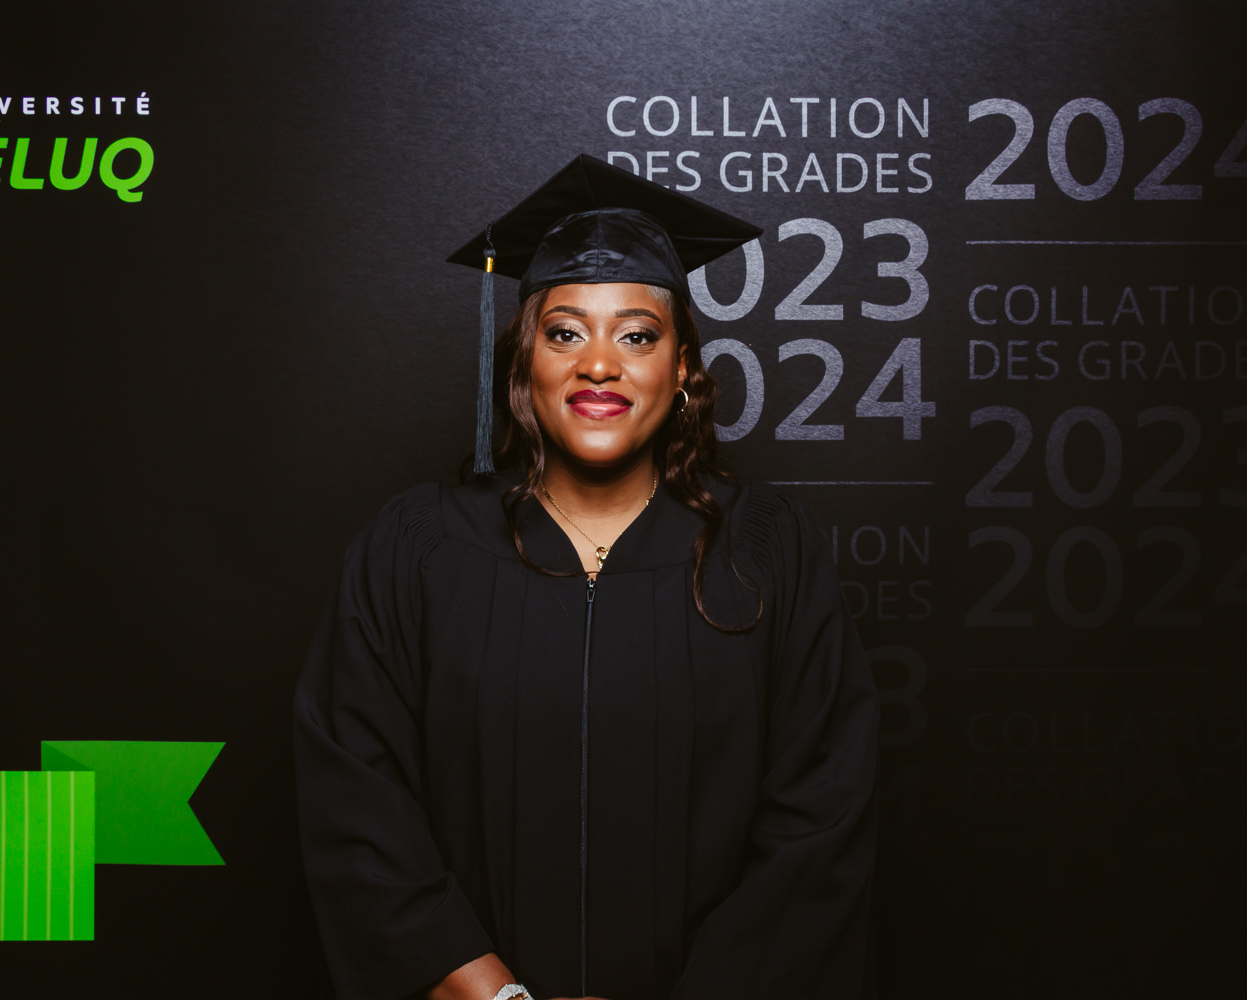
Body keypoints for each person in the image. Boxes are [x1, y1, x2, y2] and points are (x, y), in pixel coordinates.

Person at [295, 155, 879, 1000]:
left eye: (637, 335)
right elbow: (356, 800)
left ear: (682, 368)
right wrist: (495, 997)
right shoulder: (418, 551)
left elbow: (821, 815)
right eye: (565, 332)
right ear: (523, 360)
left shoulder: (767, 552)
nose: (599, 364)